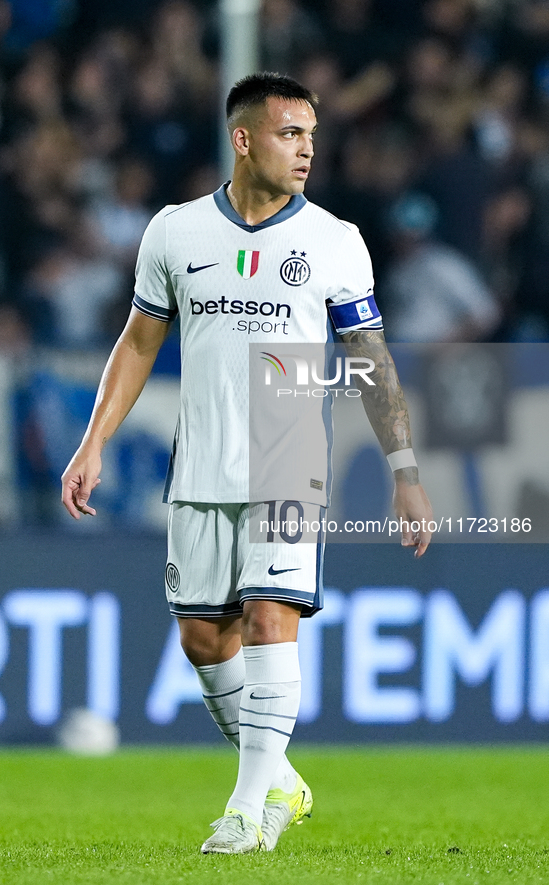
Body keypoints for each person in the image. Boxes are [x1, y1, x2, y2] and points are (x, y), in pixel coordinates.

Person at [61, 72, 433, 854]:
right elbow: (138, 340)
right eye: (289, 133)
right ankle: (282, 780)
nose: (305, 150)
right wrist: (92, 440)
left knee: (269, 619)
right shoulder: (176, 231)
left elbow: (368, 357)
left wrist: (403, 466)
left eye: (310, 135)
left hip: (287, 456)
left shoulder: (334, 240)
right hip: (199, 459)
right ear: (243, 138)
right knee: (204, 638)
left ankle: (243, 811)